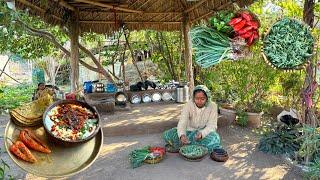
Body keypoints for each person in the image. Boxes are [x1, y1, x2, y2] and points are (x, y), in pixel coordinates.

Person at [163, 85, 222, 153]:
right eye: (197, 98)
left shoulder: (213, 106)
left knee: (215, 138)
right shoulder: (188, 104)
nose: (199, 101)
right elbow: (182, 122)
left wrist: (202, 134)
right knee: (168, 134)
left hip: (203, 132)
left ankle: (183, 146)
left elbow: (212, 125)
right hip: (189, 131)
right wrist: (182, 135)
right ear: (194, 98)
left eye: (202, 99)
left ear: (207, 98)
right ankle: (198, 147)